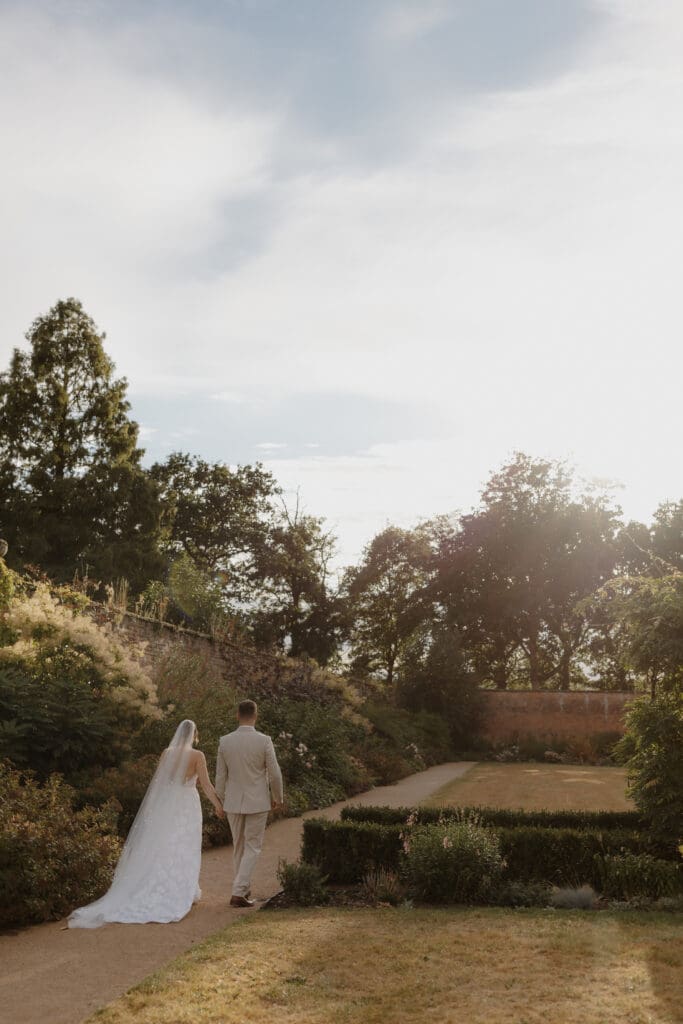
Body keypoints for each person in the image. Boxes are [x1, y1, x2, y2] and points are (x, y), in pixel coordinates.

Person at [68, 719, 225, 928]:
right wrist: (218, 805)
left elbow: (160, 782)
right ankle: (181, 888)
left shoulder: (167, 753)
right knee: (184, 845)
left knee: (163, 844)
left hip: (168, 803)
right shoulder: (197, 756)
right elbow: (206, 784)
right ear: (194, 735)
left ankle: (175, 886)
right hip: (187, 804)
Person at [216, 699, 284, 908]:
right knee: (253, 847)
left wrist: (220, 801)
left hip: (233, 802)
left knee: (238, 846)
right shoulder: (264, 741)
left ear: (237, 715)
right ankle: (239, 892)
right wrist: (278, 797)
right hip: (258, 801)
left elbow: (220, 776)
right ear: (256, 715)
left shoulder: (225, 741)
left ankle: (243, 890)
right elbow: (275, 773)